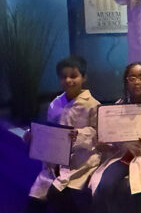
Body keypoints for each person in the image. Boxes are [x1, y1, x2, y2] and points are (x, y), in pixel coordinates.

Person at [89, 62, 141, 213]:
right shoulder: (119, 105)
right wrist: (105, 144)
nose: (137, 82)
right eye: (132, 78)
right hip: (123, 156)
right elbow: (112, 138)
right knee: (104, 186)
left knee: (129, 187)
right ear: (126, 81)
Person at [26, 56, 99, 213]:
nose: (68, 80)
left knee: (58, 195)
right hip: (55, 163)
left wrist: (79, 135)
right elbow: (48, 132)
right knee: (34, 201)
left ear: (84, 77)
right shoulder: (55, 104)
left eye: (73, 76)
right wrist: (33, 137)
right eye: (63, 77)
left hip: (80, 162)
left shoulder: (92, 105)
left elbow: (97, 133)